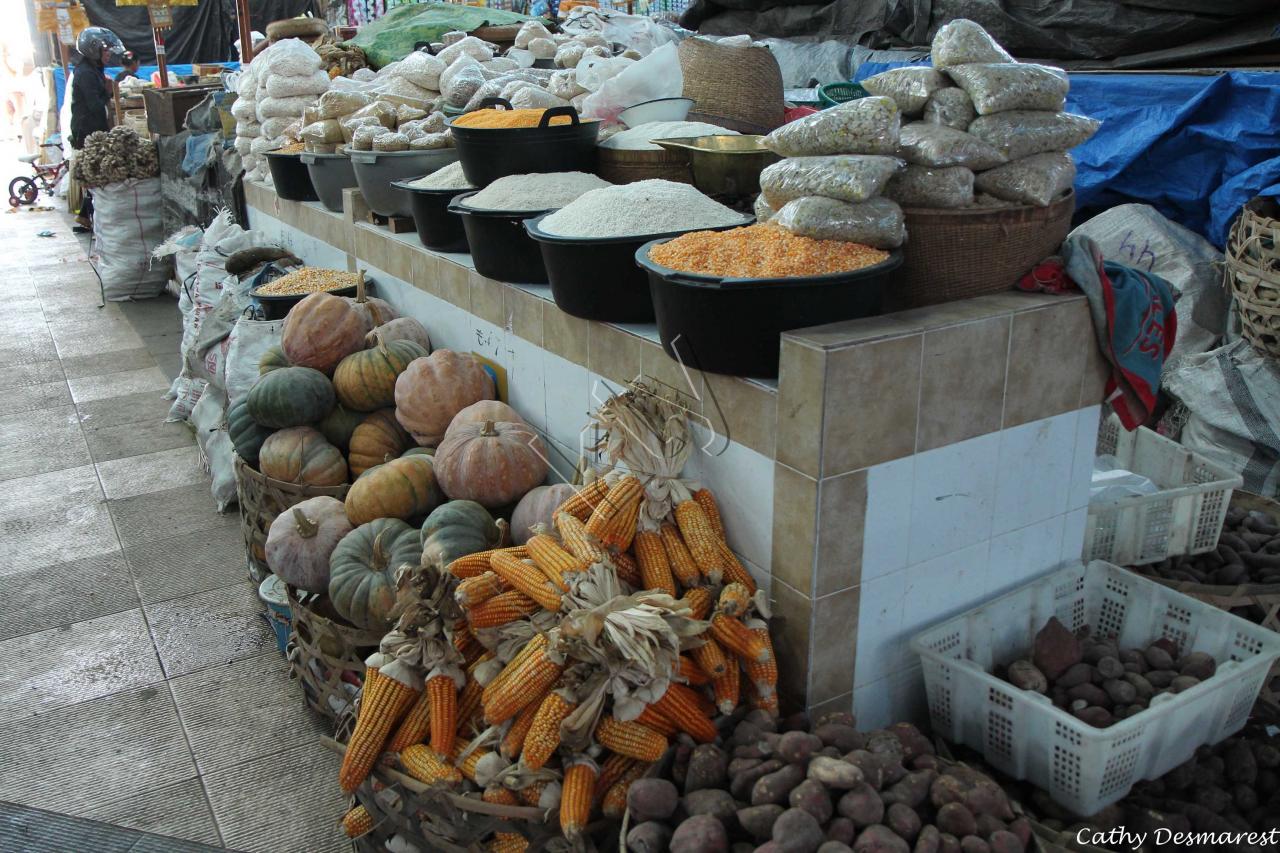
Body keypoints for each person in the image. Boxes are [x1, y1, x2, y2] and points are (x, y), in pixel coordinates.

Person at [70, 27, 125, 229]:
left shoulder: (93, 70)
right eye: (105, 50)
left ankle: (85, 215)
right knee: (96, 174)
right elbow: (94, 105)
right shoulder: (85, 73)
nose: (109, 54)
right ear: (93, 51)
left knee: (96, 175)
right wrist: (108, 92)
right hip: (87, 131)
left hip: (92, 128)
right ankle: (85, 215)